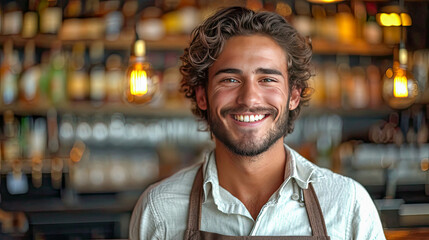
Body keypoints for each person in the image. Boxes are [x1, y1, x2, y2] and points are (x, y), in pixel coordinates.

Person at [129, 6, 385, 240]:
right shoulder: (159, 209)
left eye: (268, 79)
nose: (249, 99)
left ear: (294, 95)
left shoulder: (348, 205)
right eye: (230, 80)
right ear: (202, 96)